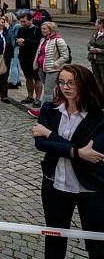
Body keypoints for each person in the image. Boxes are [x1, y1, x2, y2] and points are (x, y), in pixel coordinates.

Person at [33, 64, 104, 259]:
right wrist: (76, 151)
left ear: (85, 85)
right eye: (62, 82)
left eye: (71, 83)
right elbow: (40, 144)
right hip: (55, 184)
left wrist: (49, 133)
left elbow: (94, 152)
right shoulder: (51, 108)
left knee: (96, 243)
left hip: (90, 188)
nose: (66, 87)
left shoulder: (99, 116)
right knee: (55, 237)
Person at [28, 22, 71, 118]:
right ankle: (56, 109)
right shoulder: (43, 40)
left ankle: (43, 113)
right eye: (42, 29)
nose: (42, 31)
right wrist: (36, 63)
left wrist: (56, 64)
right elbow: (39, 53)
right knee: (52, 91)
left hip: (52, 70)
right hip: (41, 68)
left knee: (48, 91)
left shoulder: (59, 40)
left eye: (45, 29)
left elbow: (65, 56)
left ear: (51, 29)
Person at [16, 12, 43, 107]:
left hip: (35, 57)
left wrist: (25, 41)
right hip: (23, 56)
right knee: (28, 77)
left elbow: (39, 42)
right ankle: (30, 96)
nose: (22, 23)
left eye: (24, 21)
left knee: (37, 78)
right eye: (21, 21)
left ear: (31, 20)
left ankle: (38, 99)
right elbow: (17, 39)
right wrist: (18, 42)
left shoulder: (37, 29)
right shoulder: (20, 29)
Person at [88, 18, 104, 91]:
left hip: (102, 61)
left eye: (96, 23)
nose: (95, 24)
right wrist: (90, 47)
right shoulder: (95, 33)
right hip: (94, 59)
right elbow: (90, 42)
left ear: (101, 24)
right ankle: (100, 95)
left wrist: (100, 50)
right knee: (97, 79)